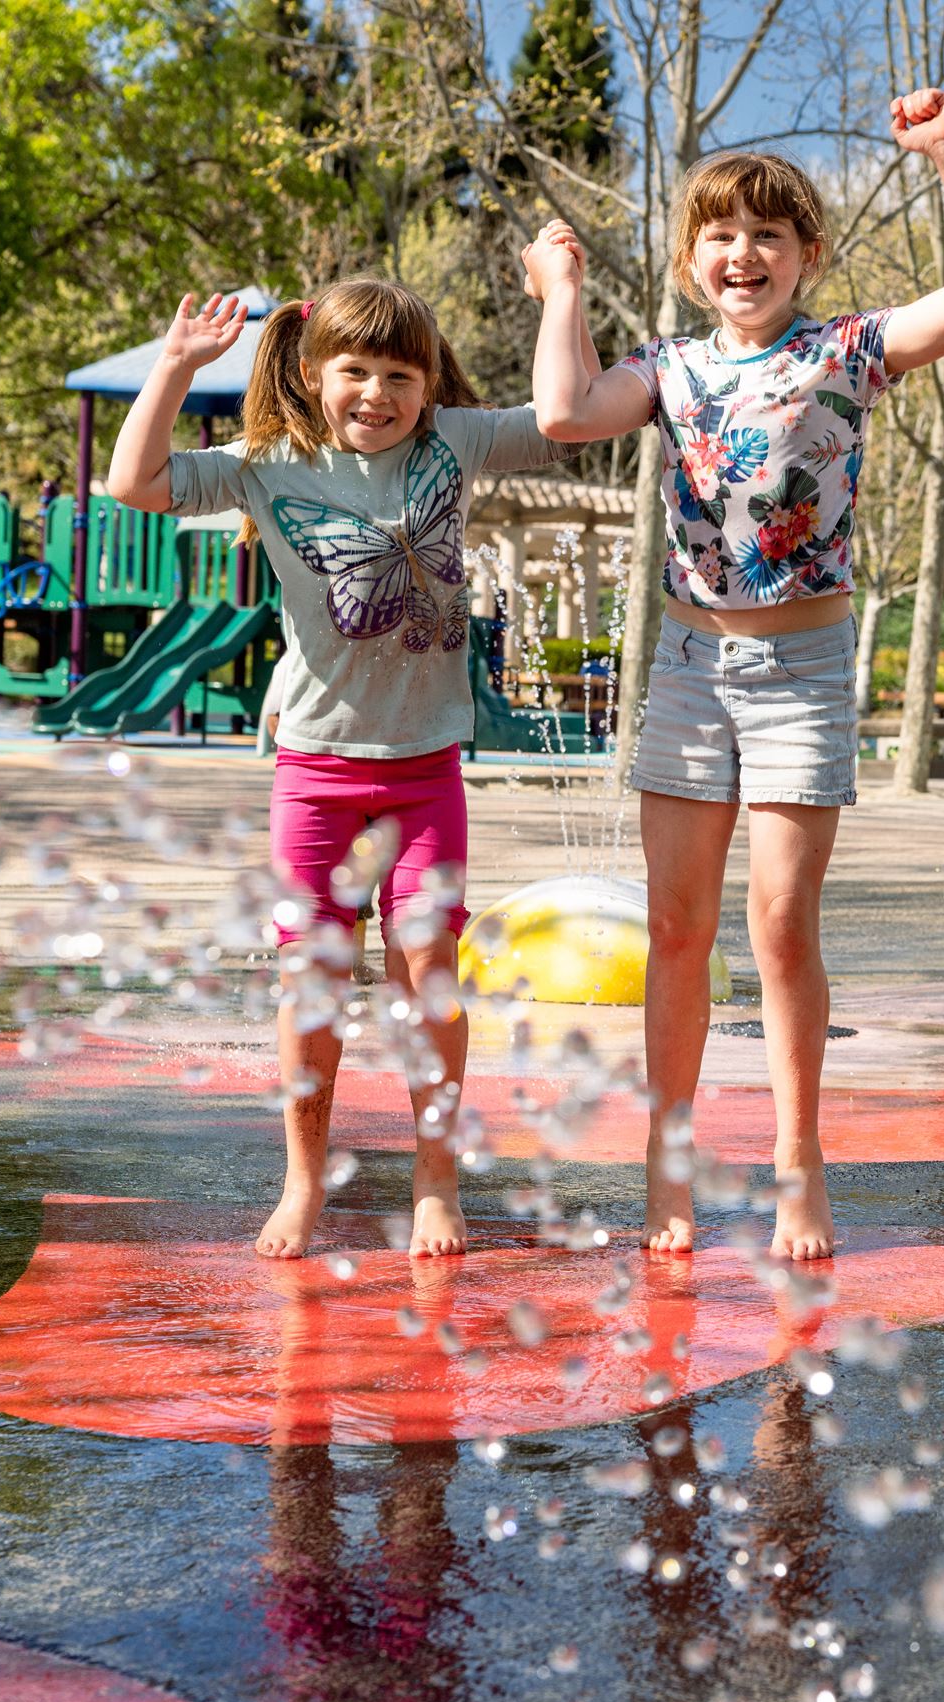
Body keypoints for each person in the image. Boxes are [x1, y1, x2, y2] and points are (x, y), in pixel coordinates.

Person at [523, 89, 944, 1260]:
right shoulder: (668, 370)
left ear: (805, 256)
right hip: (692, 663)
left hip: (801, 663)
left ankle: (798, 1155)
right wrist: (564, 295)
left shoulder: (846, 351)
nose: (743, 254)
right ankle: (670, 1155)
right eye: (720, 236)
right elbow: (559, 411)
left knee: (783, 923)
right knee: (676, 927)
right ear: (694, 260)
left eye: (767, 236)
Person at [105, 280, 573, 1261]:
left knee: (428, 974)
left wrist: (561, 293)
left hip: (423, 774)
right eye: (354, 371)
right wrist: (176, 367)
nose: (377, 393)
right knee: (310, 984)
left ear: (429, 383)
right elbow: (134, 484)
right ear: (313, 376)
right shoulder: (271, 464)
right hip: (314, 777)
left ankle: (435, 1178)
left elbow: (566, 416)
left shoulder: (457, 443)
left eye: (401, 375)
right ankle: (304, 1178)